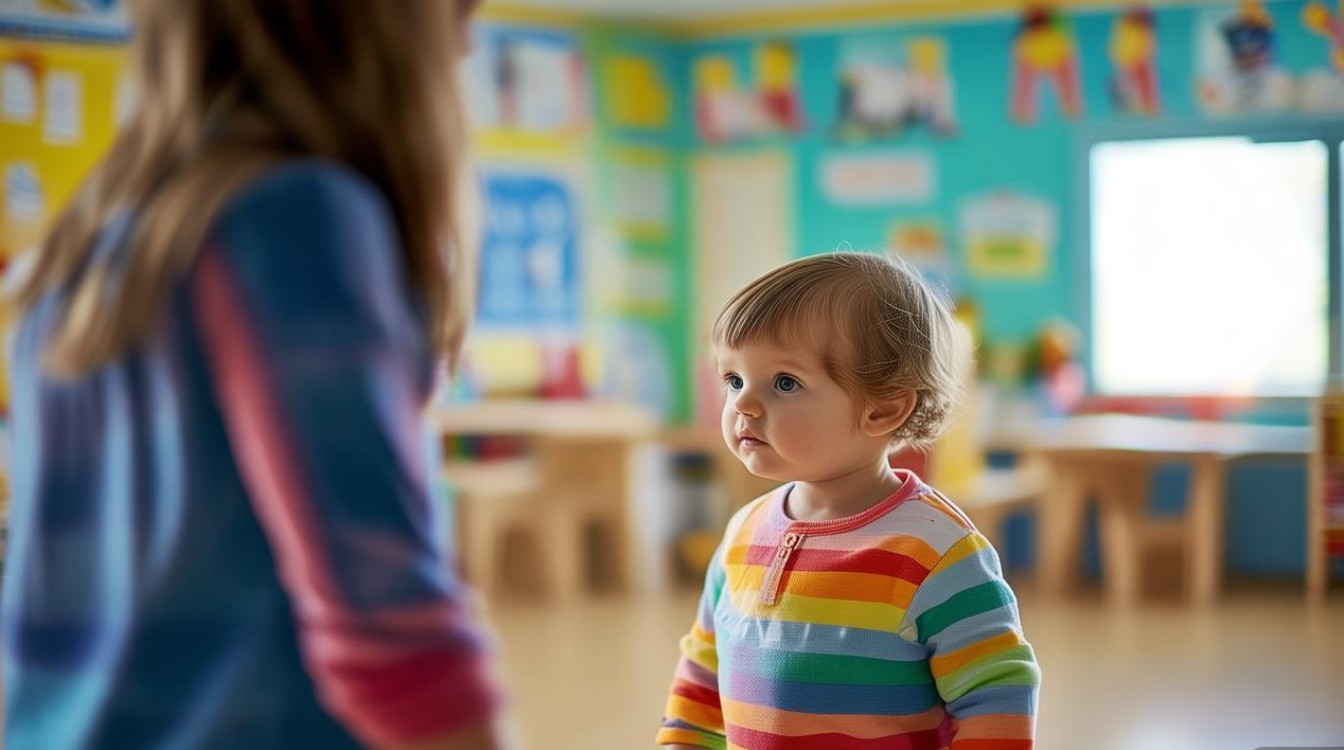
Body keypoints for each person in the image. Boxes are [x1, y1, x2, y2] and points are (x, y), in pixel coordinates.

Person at [2, 2, 518, 749]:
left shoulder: (77, 256)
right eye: (454, 10)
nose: (468, 40)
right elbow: (396, 642)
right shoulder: (293, 218)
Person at [656, 252, 1040, 749]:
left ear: (882, 409)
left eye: (785, 383)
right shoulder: (743, 531)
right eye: (734, 379)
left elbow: (997, 697)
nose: (743, 405)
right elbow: (703, 668)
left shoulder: (935, 552)